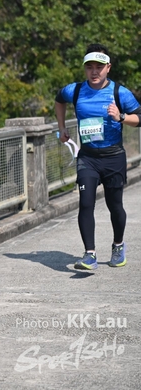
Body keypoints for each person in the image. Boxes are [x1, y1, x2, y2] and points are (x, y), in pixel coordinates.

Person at [55, 43, 141, 270]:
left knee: (115, 206)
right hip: (88, 157)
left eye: (99, 67)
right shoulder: (75, 90)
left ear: (108, 68)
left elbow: (139, 117)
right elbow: (59, 99)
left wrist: (121, 117)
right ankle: (89, 254)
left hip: (113, 156)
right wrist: (62, 127)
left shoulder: (119, 92)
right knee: (86, 203)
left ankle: (118, 245)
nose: (94, 72)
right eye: (90, 67)